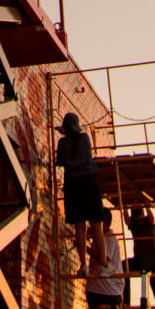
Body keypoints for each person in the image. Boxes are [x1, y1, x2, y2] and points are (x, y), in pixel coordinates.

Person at [56, 112, 106, 272]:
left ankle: (84, 265)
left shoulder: (63, 143)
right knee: (96, 224)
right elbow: (83, 157)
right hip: (88, 182)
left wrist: (64, 135)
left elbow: (61, 161)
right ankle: (104, 263)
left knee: (80, 226)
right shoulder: (84, 139)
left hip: (72, 184)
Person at [86, 208, 124, 309]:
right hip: (95, 288)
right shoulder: (99, 237)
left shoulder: (109, 238)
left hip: (109, 289)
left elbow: (104, 260)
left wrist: (86, 249)